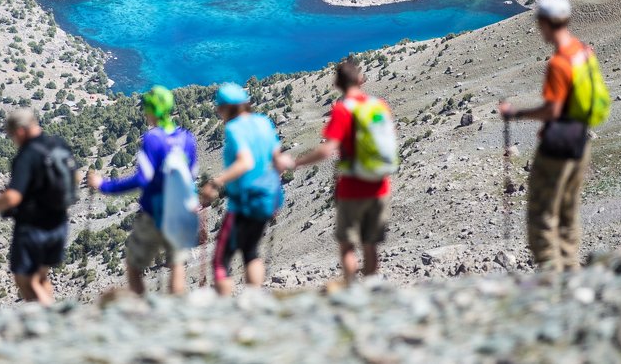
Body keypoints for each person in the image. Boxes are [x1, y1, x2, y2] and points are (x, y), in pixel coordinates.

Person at [499, 0, 606, 272]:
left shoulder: (558, 64)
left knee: (542, 216)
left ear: (545, 23)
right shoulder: (584, 50)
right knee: (568, 213)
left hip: (557, 146)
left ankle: (552, 281)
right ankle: (572, 273)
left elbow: (552, 111)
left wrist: (516, 114)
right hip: (580, 141)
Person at [280, 60, 392, 284]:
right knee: (370, 245)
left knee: (348, 245)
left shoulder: (343, 108)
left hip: (352, 187)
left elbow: (328, 149)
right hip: (380, 184)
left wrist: (296, 163)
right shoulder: (379, 106)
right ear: (360, 80)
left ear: (337, 84)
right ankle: (371, 289)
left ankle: (351, 289)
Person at [86, 86, 199, 295]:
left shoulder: (152, 139)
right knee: (177, 267)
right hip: (181, 213)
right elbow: (192, 177)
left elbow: (142, 179)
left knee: (133, 267)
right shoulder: (187, 138)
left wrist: (105, 186)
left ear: (151, 110)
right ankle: (180, 316)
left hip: (155, 213)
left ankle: (142, 312)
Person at [0, 109, 73, 306]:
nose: (12, 140)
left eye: (10, 136)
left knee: (26, 280)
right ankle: (53, 320)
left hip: (33, 228)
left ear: (19, 131)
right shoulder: (57, 144)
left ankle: (52, 324)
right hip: (58, 222)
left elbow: (13, 198)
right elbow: (74, 177)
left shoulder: (27, 155)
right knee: (42, 278)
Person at [200, 83, 286, 296]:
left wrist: (215, 182)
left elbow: (245, 162)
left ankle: (227, 311)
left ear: (227, 108)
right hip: (267, 199)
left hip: (244, 202)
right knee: (250, 252)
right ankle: (253, 302)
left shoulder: (234, 128)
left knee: (221, 260)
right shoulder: (263, 122)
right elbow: (278, 161)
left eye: (219, 109)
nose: (219, 113)